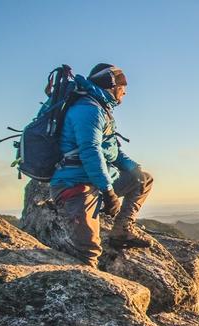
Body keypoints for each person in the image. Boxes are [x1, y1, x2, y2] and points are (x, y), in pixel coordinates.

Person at [49, 63, 152, 268]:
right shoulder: (88, 110)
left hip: (92, 180)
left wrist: (134, 168)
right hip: (75, 184)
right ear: (112, 85)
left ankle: (121, 231)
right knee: (89, 250)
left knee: (142, 179)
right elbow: (91, 152)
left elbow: (111, 150)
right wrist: (108, 191)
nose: (125, 92)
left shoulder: (100, 108)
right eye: (123, 87)